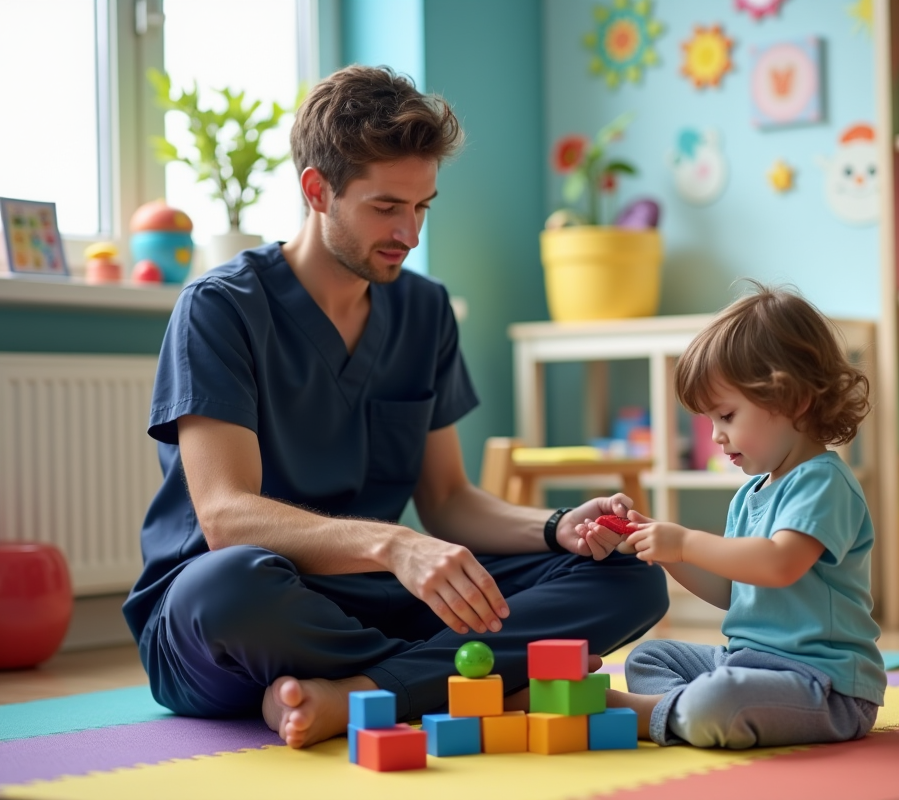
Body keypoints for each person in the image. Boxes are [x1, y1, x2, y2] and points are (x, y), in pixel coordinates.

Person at [121, 64, 667, 749]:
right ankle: (464, 676)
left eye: (422, 207)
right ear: (317, 191)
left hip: (372, 598)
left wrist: (555, 527)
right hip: (235, 613)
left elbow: (448, 500)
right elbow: (228, 517)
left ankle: (362, 693)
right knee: (229, 590)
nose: (409, 233)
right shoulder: (220, 308)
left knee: (631, 577)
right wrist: (395, 544)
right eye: (386, 207)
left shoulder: (426, 309)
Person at [578, 282, 884, 749]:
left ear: (793, 400)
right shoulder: (749, 495)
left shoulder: (823, 481)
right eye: (711, 421)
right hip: (746, 665)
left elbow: (779, 564)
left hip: (825, 687)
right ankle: (685, 714)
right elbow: (731, 592)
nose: (717, 436)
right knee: (649, 658)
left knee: (718, 700)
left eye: (726, 415)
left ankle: (658, 714)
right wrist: (659, 548)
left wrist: (685, 542)